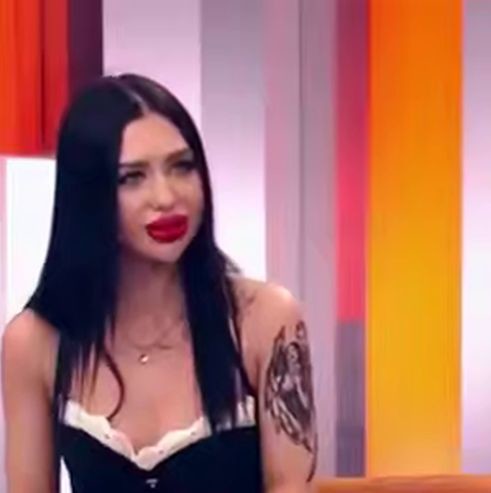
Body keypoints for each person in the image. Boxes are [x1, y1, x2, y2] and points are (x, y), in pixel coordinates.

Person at [2, 74, 317, 492]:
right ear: (88, 196)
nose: (166, 197)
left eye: (182, 167)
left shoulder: (265, 319)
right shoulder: (35, 342)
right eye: (132, 177)